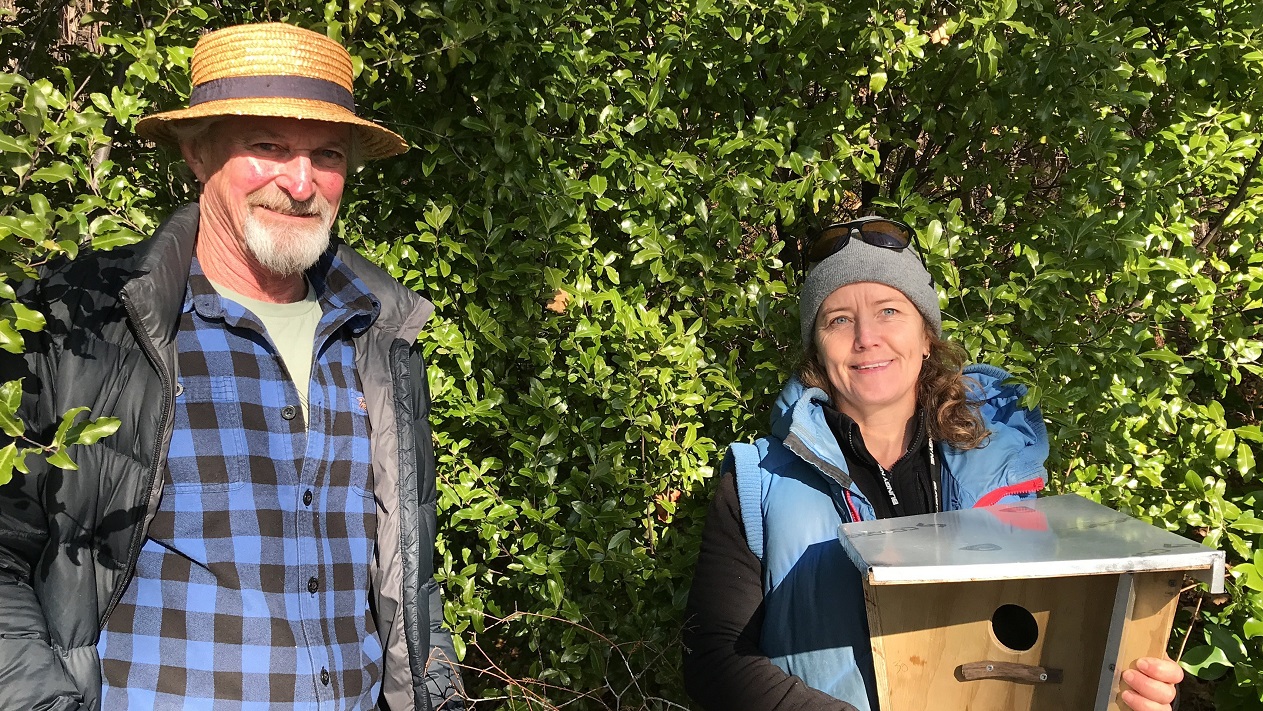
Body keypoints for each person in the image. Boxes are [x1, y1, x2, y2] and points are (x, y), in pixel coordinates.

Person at [0, 23, 464, 710]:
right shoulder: (86, 323)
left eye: (327, 153)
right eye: (267, 146)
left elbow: (409, 576)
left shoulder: (379, 336)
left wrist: (441, 693)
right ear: (197, 152)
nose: (300, 182)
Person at [682, 216, 1184, 711]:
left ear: (926, 337)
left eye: (889, 312)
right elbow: (714, 657)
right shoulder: (759, 481)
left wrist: (1128, 686)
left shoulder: (1002, 462)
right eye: (838, 319)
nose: (866, 338)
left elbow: (1047, 642)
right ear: (817, 346)